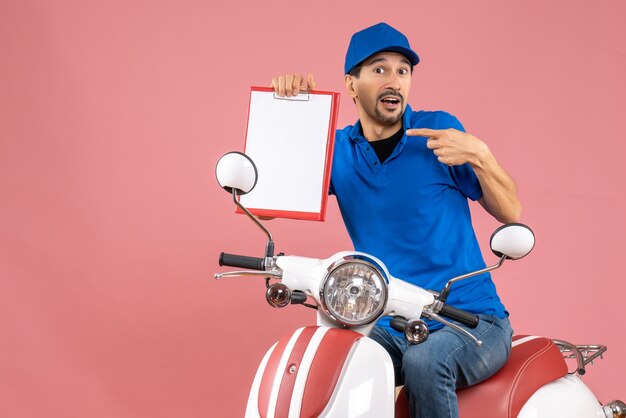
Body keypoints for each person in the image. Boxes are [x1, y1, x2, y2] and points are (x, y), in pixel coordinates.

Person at [271, 22, 521, 418]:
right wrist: (291, 115)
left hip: (472, 322)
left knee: (426, 361)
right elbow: (271, 197)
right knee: (335, 356)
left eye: (403, 70)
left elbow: (510, 212)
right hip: (390, 319)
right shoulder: (336, 149)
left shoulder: (438, 130)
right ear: (351, 85)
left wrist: (481, 155)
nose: (395, 80)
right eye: (379, 69)